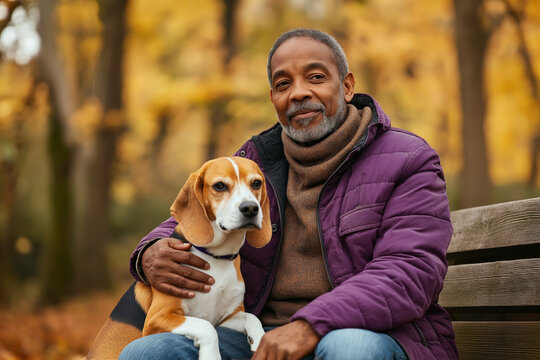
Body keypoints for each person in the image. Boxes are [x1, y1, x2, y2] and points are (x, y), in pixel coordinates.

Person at [120, 28, 458, 360]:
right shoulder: (256, 159)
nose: (298, 93)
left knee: (349, 348)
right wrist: (148, 253)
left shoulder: (408, 159)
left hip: (372, 335)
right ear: (274, 100)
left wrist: (310, 323)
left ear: (347, 86)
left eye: (315, 77)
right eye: (283, 84)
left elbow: (410, 271)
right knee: (147, 352)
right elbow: (195, 212)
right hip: (264, 339)